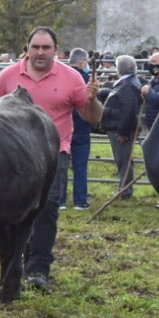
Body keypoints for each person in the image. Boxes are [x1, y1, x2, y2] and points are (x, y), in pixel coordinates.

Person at [0, 26, 104, 290]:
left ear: (56, 51)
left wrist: (93, 100)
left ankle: (39, 268)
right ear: (26, 49)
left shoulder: (72, 78)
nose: (40, 53)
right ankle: (20, 259)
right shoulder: (8, 75)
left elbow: (93, 118)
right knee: (14, 213)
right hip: (13, 157)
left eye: (46, 48)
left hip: (53, 153)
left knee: (46, 208)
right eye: (35, 47)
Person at [99, 53, 143, 200]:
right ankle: (125, 189)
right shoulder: (129, 83)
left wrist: (123, 131)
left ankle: (124, 191)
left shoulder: (127, 85)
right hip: (119, 127)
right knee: (124, 160)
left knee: (123, 160)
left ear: (119, 69)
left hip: (119, 129)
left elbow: (129, 110)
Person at [63, 48, 93, 212]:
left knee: (61, 167)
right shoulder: (87, 79)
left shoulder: (62, 77)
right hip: (81, 127)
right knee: (80, 166)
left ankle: (60, 200)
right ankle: (80, 201)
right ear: (82, 62)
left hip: (63, 127)